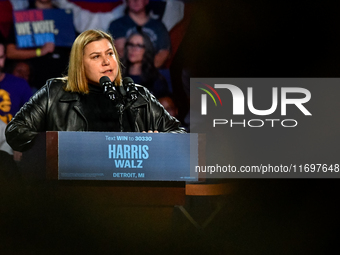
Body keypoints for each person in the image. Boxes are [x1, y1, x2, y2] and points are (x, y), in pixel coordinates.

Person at [5, 29, 185, 152]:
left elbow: (179, 135)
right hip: (72, 188)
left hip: (126, 187)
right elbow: (16, 131)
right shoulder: (55, 92)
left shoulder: (136, 94)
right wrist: (56, 143)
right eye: (96, 56)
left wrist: (159, 140)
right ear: (80, 64)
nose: (107, 62)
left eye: (110, 54)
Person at [6, 0, 73, 90]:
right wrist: (39, 52)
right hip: (33, 86)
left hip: (62, 84)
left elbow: (74, 48)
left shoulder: (63, 16)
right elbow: (10, 53)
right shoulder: (23, 16)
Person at [108, 0, 171, 68]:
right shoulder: (117, 25)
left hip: (153, 73)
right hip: (126, 74)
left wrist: (146, 71)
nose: (136, 1)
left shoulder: (158, 26)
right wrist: (134, 72)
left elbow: (164, 53)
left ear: (146, 1)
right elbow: (120, 51)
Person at [122, 31, 169, 98]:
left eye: (139, 46)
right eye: (131, 44)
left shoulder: (156, 80)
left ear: (146, 50)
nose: (133, 49)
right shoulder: (116, 76)